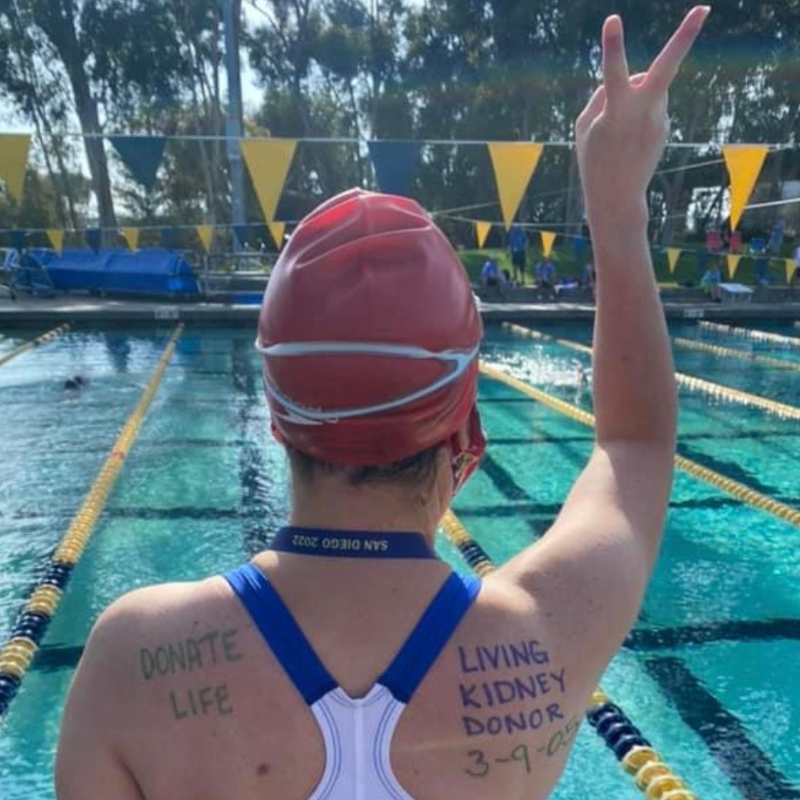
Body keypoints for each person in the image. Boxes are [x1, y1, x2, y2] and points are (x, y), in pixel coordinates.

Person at [56, 8, 707, 800]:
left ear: (277, 416)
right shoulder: (544, 636)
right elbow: (635, 444)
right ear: (465, 427)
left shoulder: (132, 660)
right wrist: (617, 203)